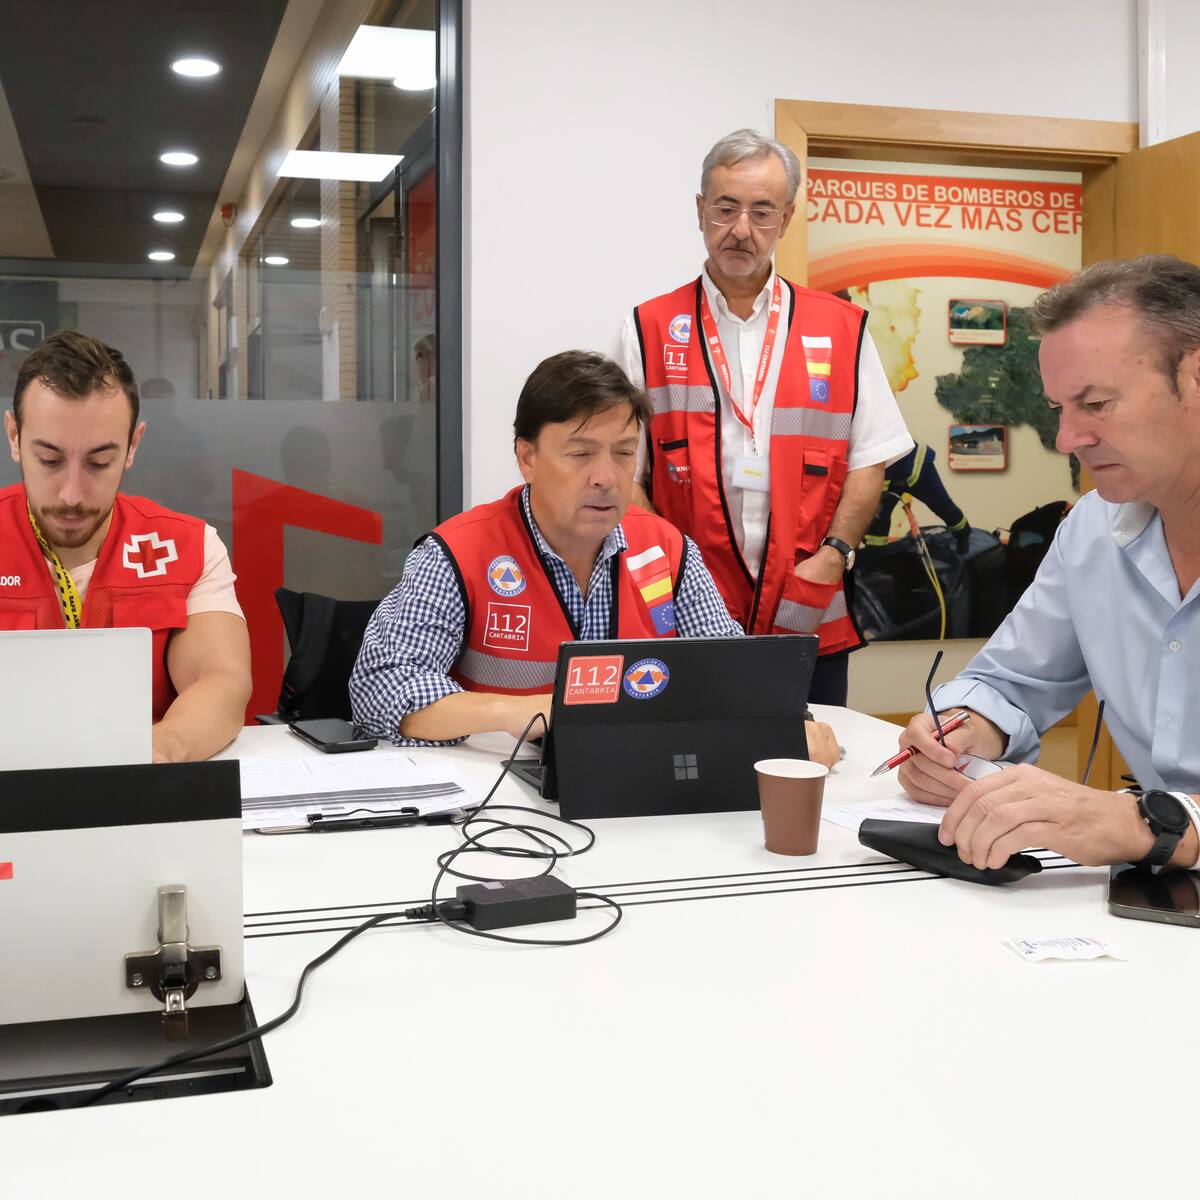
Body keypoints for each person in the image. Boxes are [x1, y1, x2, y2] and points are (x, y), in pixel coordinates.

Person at [350, 350, 839, 764]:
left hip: (640, 786)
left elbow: (733, 673)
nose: (606, 477)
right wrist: (510, 711)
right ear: (528, 457)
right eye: (581, 454)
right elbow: (379, 690)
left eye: (623, 453)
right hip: (499, 794)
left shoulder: (666, 550)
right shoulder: (458, 553)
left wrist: (789, 725)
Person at [896, 255, 1200, 872]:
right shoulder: (1093, 531)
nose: (1068, 439)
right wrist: (961, 728)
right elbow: (1014, 681)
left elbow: (1144, 825)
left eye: (1096, 403)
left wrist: (1147, 823)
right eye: (1061, 409)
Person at [613, 129, 913, 706]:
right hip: (685, 609)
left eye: (761, 212)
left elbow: (870, 457)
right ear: (700, 210)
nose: (741, 230)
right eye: (725, 209)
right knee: (694, 773)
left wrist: (835, 556)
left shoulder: (842, 327)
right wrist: (668, 571)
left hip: (807, 602)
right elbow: (624, 472)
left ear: (788, 217)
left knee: (810, 766)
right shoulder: (647, 329)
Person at [0, 330, 251, 762]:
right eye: (50, 460)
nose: (72, 495)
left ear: (133, 446)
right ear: (14, 437)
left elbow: (222, 681)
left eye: (99, 462)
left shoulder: (189, 547)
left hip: (141, 794)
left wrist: (150, 755)